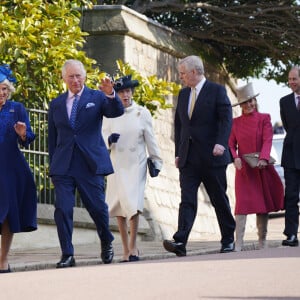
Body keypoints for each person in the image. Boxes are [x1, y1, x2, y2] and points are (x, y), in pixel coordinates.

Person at [48, 59, 124, 268]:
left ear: (84, 77)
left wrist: (111, 94)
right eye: (71, 76)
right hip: (63, 166)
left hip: (89, 164)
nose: (75, 80)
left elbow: (115, 111)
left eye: (78, 76)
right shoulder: (56, 104)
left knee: (97, 208)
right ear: (64, 78)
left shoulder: (96, 97)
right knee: (62, 209)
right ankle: (67, 254)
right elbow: (52, 139)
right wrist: (52, 167)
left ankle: (106, 239)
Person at [163, 55, 236, 255]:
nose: (181, 77)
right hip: (189, 158)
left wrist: (221, 143)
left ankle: (228, 238)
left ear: (195, 72)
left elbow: (226, 120)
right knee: (187, 200)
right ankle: (180, 242)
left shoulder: (217, 91)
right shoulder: (183, 94)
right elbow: (180, 126)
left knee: (219, 199)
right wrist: (178, 152)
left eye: (183, 73)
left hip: (212, 156)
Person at [102, 75, 163, 262]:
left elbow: (150, 139)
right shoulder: (109, 113)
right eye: (121, 92)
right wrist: (108, 140)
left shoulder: (141, 113)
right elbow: (102, 135)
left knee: (134, 204)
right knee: (119, 206)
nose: (125, 95)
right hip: (116, 163)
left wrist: (156, 160)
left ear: (132, 92)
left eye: (128, 91)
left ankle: (133, 246)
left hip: (136, 163)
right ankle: (125, 248)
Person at [229, 83, 284, 251]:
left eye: (251, 100)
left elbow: (268, 140)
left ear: (255, 100)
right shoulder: (235, 123)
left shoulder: (264, 118)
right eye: (245, 102)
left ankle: (262, 241)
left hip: (261, 167)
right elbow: (231, 144)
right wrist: (235, 158)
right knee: (242, 206)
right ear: (240, 105)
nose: (249, 104)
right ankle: (238, 242)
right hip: (244, 170)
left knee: (262, 206)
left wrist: (263, 158)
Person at [0, 64, 37, 273]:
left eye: (4, 88)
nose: (1, 92)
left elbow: (28, 140)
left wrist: (23, 133)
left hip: (10, 168)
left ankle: (3, 259)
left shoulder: (17, 108)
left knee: (7, 214)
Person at [280, 65, 300, 247]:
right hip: (290, 156)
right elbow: (288, 126)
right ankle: (291, 234)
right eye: (290, 79)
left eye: (294, 79)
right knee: (291, 196)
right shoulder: (284, 101)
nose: (291, 82)